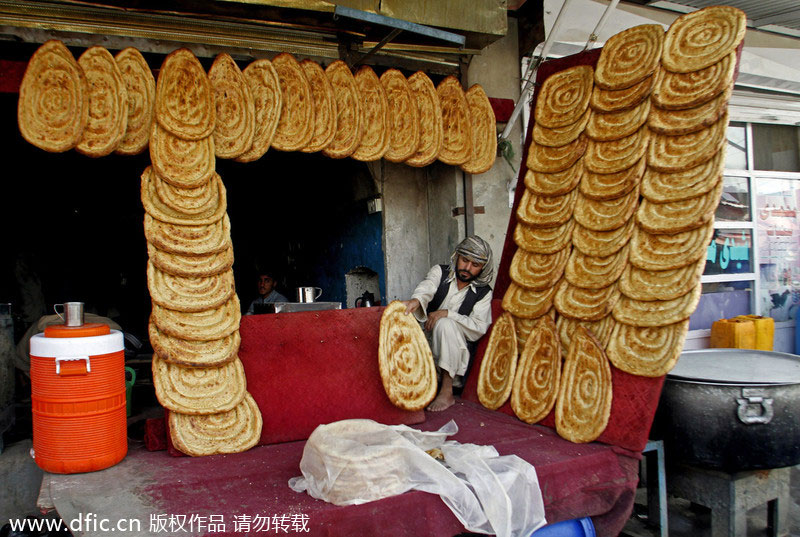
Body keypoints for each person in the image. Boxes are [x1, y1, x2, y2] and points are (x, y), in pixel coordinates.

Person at [402, 235, 494, 412]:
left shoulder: (483, 293)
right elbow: (427, 287)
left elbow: (479, 328)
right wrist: (416, 301)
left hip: (456, 356)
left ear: (483, 268)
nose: (467, 268)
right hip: (427, 347)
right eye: (464, 260)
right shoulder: (440, 272)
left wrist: (448, 314)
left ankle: (447, 391)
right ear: (457, 256)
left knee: (446, 324)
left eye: (475, 265)